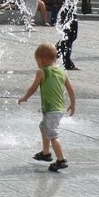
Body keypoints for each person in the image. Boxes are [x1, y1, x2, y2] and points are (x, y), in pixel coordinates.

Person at [18, 43, 77, 173]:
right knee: (43, 127)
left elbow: (33, 88)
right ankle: (46, 153)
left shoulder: (42, 72)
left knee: (52, 134)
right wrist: (73, 104)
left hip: (52, 110)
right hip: (59, 109)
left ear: (40, 60)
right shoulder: (62, 71)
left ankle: (61, 159)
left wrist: (25, 98)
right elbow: (71, 90)